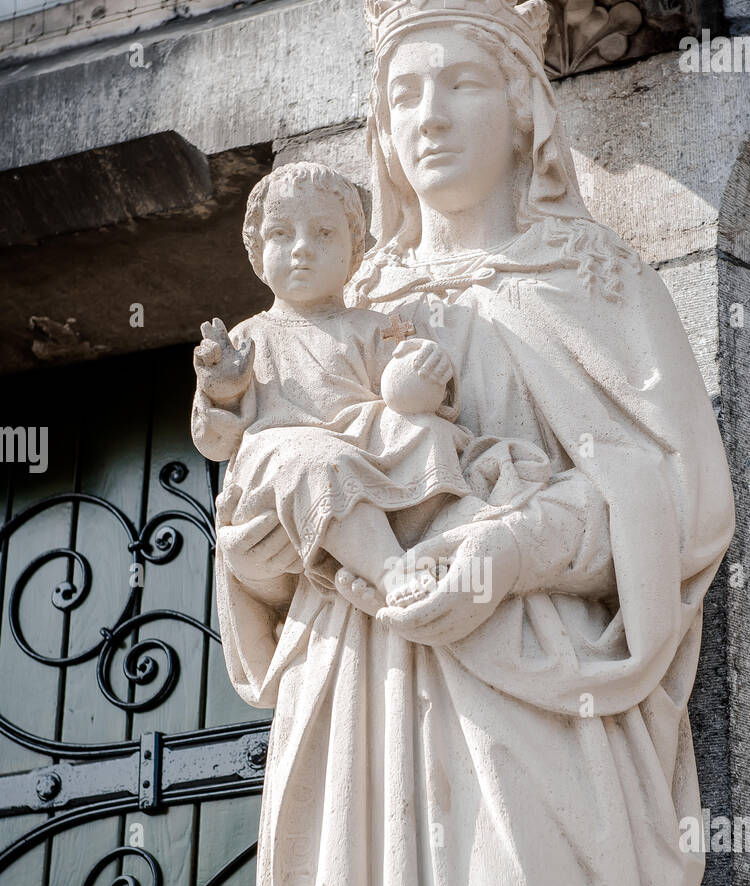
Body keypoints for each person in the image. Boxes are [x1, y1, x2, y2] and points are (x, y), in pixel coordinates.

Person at [211, 0, 736, 886]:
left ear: (521, 110)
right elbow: (255, 548)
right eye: (400, 95)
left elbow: (682, 501)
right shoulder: (342, 305)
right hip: (357, 698)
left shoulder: (597, 284)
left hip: (536, 709)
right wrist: (290, 494)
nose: (427, 115)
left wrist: (508, 551)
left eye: (457, 85)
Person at [192, 161, 549, 613]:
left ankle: (435, 538)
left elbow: (407, 397)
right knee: (316, 461)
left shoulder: (377, 327)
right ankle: (388, 570)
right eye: (281, 234)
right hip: (282, 466)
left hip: (363, 448)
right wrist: (222, 389)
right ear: (257, 250)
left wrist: (423, 372)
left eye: (323, 234)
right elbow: (215, 444)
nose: (302, 249)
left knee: (428, 432)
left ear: (354, 252)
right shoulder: (247, 338)